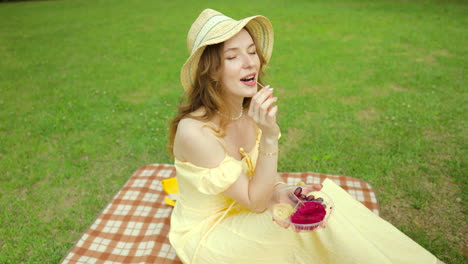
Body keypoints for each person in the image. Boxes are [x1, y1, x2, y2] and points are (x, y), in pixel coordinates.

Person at [168, 8, 443, 264]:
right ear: (211, 72)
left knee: (323, 208)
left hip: (248, 207)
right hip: (210, 233)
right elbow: (254, 202)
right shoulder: (195, 132)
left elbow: (260, 179)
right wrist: (269, 137)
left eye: (252, 52)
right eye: (232, 57)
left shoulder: (247, 109)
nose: (249, 63)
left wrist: (281, 190)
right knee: (305, 232)